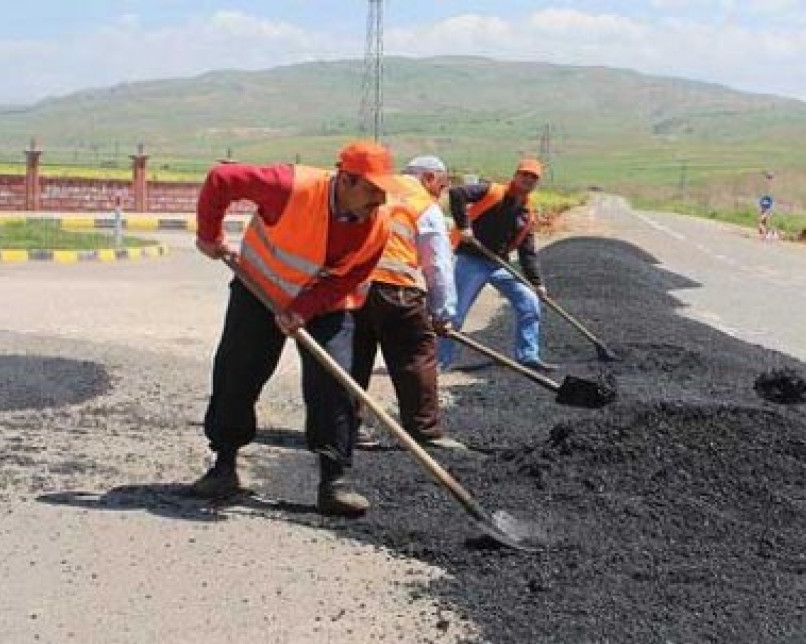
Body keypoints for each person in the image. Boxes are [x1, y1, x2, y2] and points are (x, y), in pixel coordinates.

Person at [190, 140, 416, 518]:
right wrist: (208, 235)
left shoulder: (379, 222)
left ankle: (334, 481)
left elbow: (353, 275)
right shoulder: (289, 186)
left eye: (383, 192)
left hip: (325, 305)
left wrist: (303, 309)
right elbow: (221, 178)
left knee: (335, 381)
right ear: (346, 179)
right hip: (258, 290)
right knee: (237, 372)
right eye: (373, 190)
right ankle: (224, 466)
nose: (379, 200)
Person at [349, 155, 459, 448]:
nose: (441, 193)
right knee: (415, 357)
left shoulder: (376, 190)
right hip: (396, 290)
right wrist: (442, 312)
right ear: (429, 178)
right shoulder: (423, 204)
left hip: (354, 287)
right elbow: (438, 264)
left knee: (354, 358)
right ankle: (424, 431)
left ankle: (345, 428)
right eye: (441, 186)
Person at [437, 157, 556, 372]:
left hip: (499, 264)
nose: (528, 179)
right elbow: (457, 193)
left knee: (529, 302)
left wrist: (537, 283)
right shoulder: (492, 191)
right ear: (516, 175)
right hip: (472, 260)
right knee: (456, 313)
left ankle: (528, 356)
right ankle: (439, 361)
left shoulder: (526, 213)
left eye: (533, 177)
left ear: (536, 183)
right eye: (524, 175)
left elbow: (527, 251)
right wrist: (464, 227)